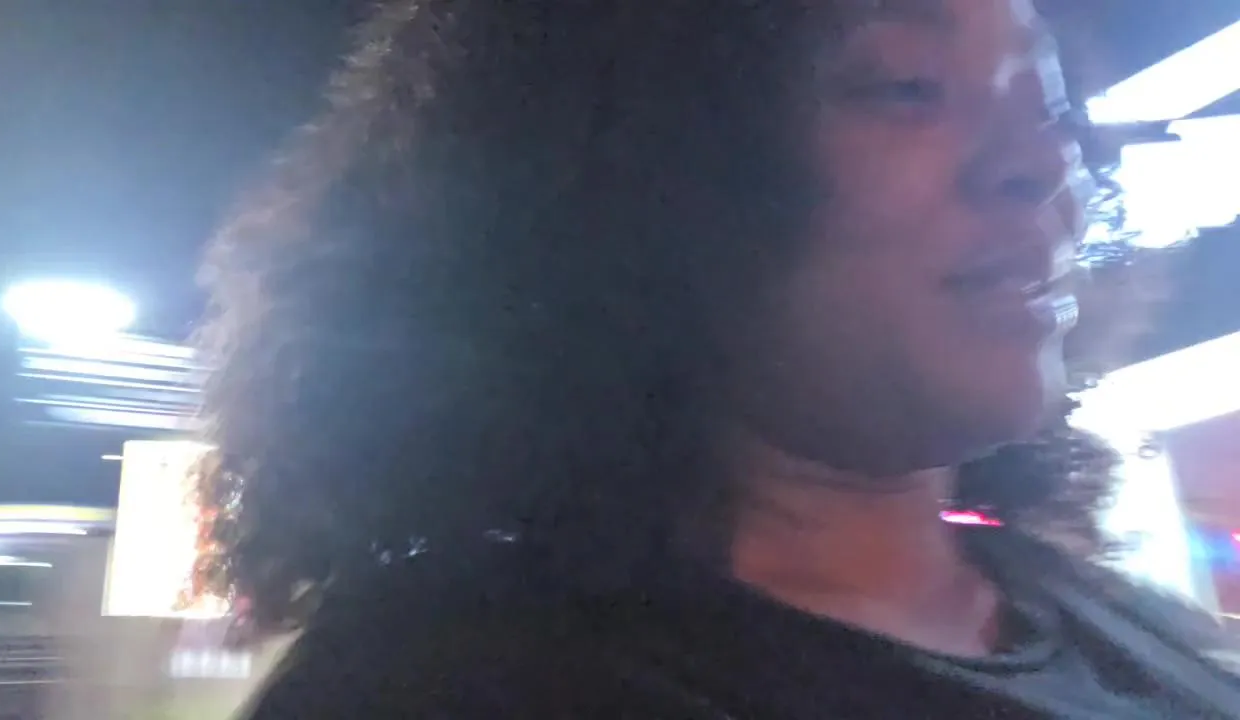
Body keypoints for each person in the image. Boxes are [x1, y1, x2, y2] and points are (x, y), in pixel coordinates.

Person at [192, 0, 1240, 716]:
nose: (1041, 163)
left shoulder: (1107, 619)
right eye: (907, 88)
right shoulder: (462, 685)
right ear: (634, 168)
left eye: (1048, 101)